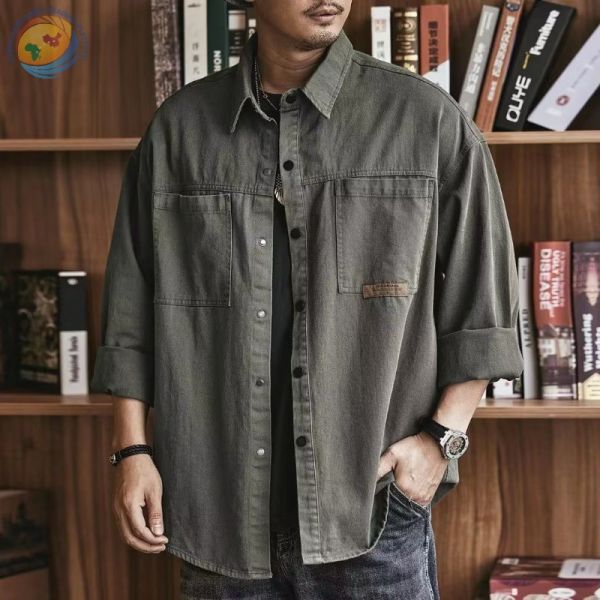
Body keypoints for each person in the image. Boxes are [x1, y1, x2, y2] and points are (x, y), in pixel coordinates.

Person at [90, 0, 524, 598]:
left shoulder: (425, 121)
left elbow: (486, 307)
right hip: (217, 518)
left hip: (372, 515)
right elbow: (131, 311)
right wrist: (131, 450)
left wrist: (440, 442)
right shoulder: (178, 130)